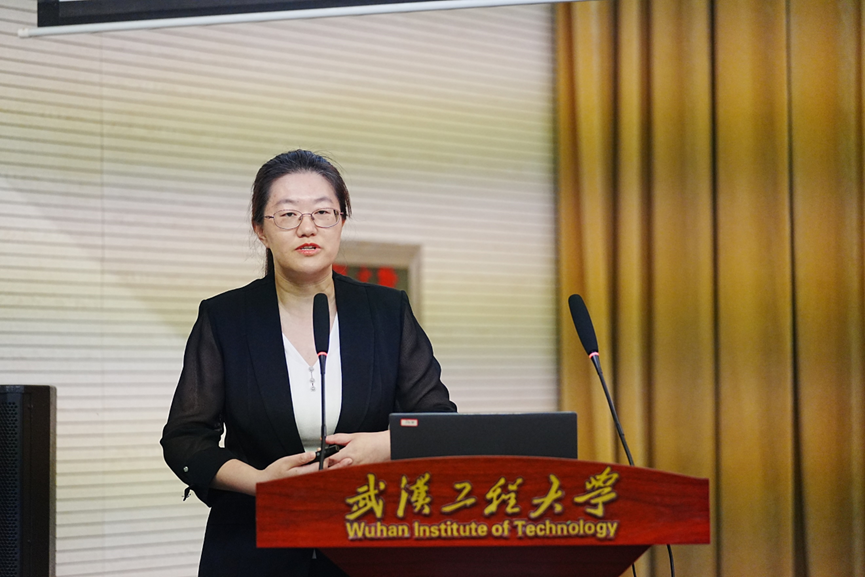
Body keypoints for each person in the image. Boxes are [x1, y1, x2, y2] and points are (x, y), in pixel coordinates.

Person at [160, 150, 456, 576]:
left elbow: (439, 422)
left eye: (322, 212)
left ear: (342, 221)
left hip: (366, 540)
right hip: (254, 546)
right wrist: (261, 482)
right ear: (260, 229)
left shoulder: (386, 311)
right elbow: (185, 439)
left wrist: (383, 446)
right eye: (287, 214)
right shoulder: (226, 318)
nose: (307, 227)